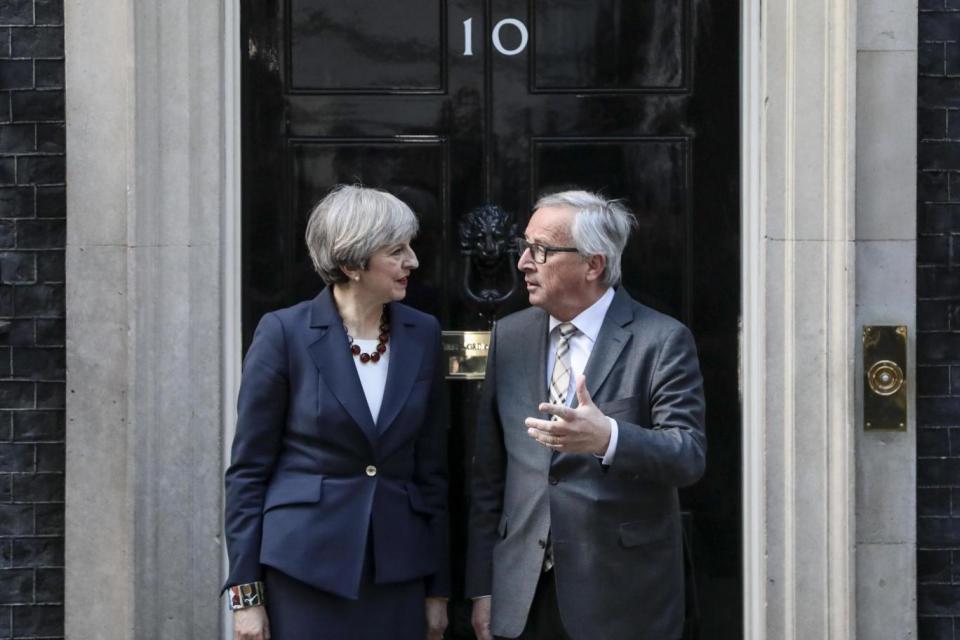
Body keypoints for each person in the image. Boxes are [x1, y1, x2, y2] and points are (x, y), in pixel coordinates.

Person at [466, 190, 706, 640]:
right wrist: (483, 588)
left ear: (593, 265)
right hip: (523, 597)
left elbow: (687, 455)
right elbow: (489, 478)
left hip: (622, 597)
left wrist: (608, 438)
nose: (522, 263)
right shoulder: (510, 336)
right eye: (525, 246)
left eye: (541, 250)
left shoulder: (661, 340)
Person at [223, 185, 449, 640]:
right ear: (352, 263)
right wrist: (246, 596)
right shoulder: (284, 333)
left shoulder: (423, 334)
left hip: (398, 571)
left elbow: (433, 471)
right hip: (304, 570)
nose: (413, 262)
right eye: (396, 251)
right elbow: (248, 472)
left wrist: (438, 589)